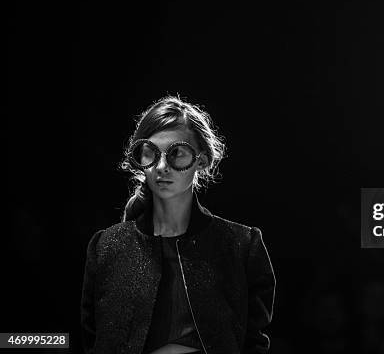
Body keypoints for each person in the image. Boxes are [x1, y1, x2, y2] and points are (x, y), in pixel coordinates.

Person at [80, 95, 275, 354]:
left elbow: (254, 343)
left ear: (202, 160)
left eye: (177, 153)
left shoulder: (241, 246)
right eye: (151, 153)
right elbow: (92, 340)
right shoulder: (107, 247)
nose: (162, 167)